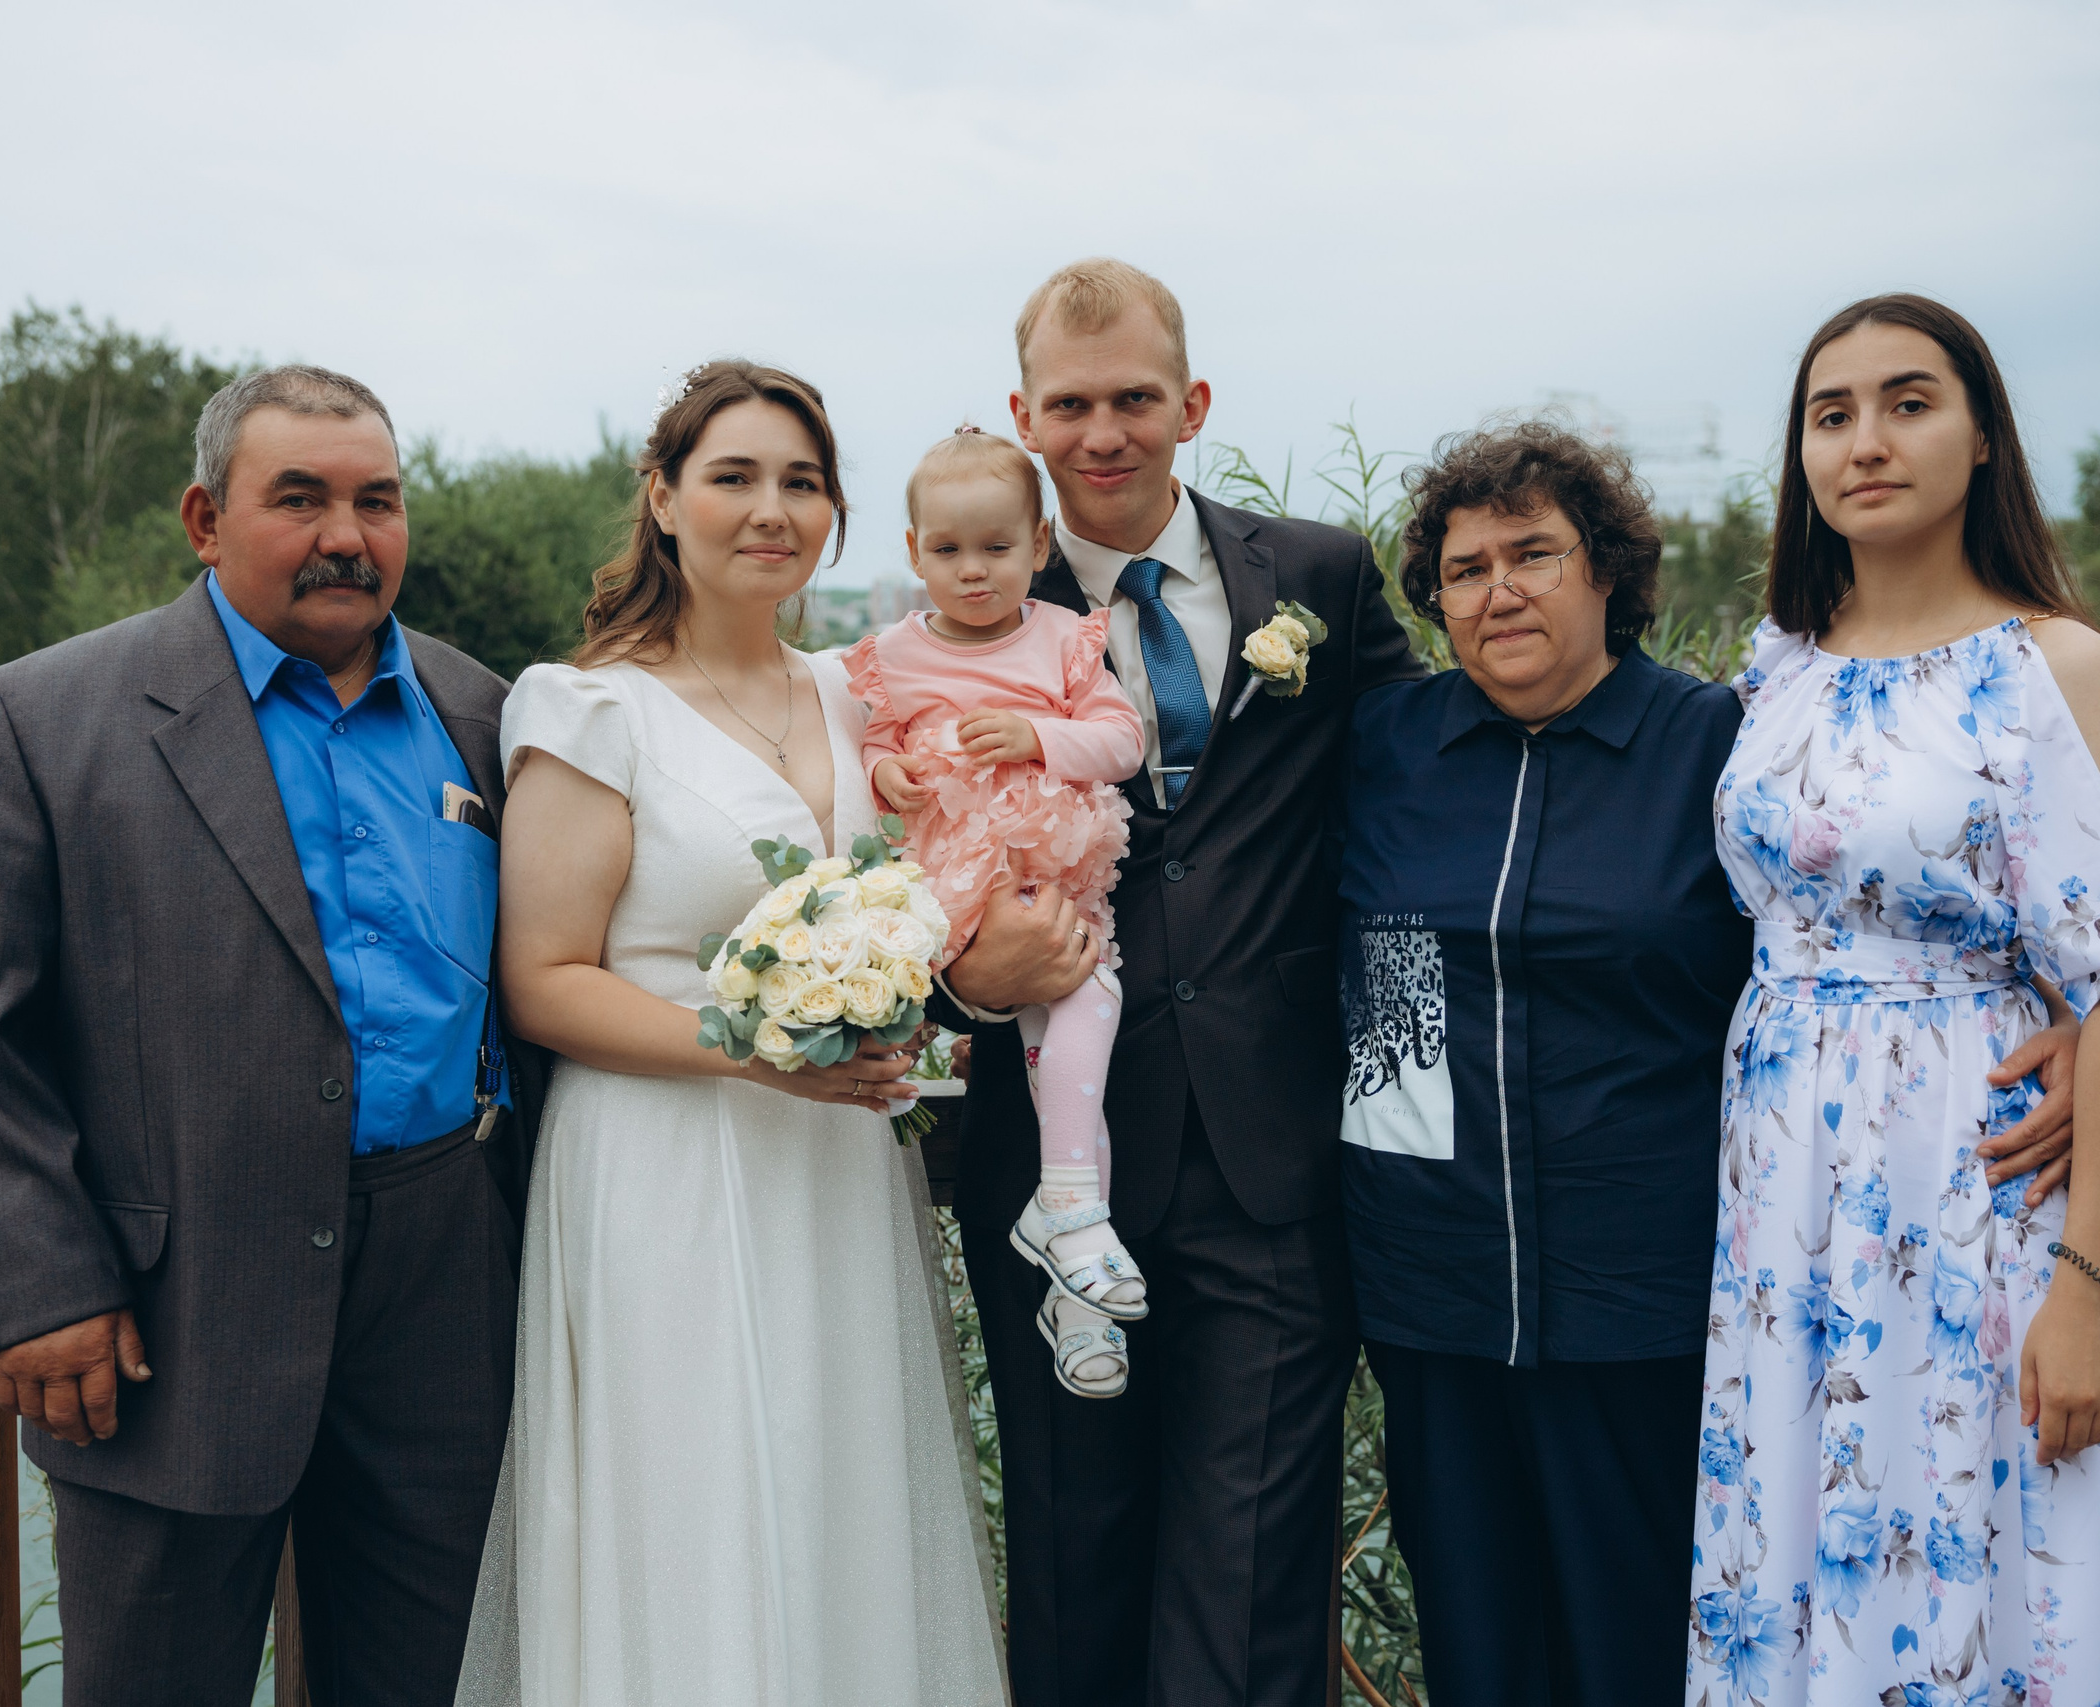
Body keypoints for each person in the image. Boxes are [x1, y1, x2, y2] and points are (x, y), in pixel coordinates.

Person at [1335, 423, 2086, 1707]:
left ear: (1609, 574)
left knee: (1635, 1650)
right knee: (1476, 1655)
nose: (1498, 590)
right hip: (1429, 1297)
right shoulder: (1382, 749)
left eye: (1534, 554)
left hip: (1647, 1294)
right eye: (1464, 570)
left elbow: (1891, 893)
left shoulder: (1719, 748)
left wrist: (2063, 1006)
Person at [0, 365, 545, 1707]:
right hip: (162, 1308)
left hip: (442, 1295)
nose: (346, 535)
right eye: (297, 498)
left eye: (376, 500)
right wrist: (40, 1283)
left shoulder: (486, 714)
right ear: (204, 516)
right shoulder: (47, 715)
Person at [453, 360, 1005, 1706]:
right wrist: (752, 1051)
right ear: (662, 497)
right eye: (736, 476)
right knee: (689, 1510)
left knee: (842, 1497)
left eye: (803, 481)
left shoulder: (857, 693)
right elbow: (542, 978)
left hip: (836, 1169)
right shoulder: (590, 707)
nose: (774, 508)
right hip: (664, 1168)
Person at [936, 256, 1420, 1707]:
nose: (1104, 433)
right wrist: (966, 983)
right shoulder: (968, 607)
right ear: (1025, 414)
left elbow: (1420, 790)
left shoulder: (1322, 577)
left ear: (1191, 402)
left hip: (1276, 1156)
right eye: (1071, 404)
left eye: (1135, 398)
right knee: (1078, 1564)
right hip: (1056, 1166)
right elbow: (904, 863)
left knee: (1258, 1566)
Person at [1688, 294, 2100, 1705]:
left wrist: (2086, 1289)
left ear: (1981, 437)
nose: (1867, 440)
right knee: (1798, 1526)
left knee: (1980, 1524)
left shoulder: (2053, 666)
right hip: (1783, 1196)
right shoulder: (1774, 666)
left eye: (1909, 402)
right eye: (1831, 413)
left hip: (1968, 1176)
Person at [848, 426, 1148, 1398]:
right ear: (911, 552)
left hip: (1054, 878)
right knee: (1062, 1048)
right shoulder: (888, 656)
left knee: (1075, 1045)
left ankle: (1075, 1264)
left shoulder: (1063, 639)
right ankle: (1073, 1236)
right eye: (947, 551)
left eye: (996, 549)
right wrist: (886, 767)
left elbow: (1122, 743)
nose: (973, 572)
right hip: (962, 897)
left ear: (1037, 544)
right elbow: (872, 753)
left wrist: (1037, 732)